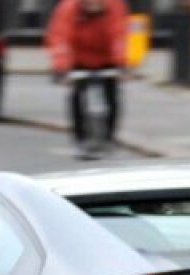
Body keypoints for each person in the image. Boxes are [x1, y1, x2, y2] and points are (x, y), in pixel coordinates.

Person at [45, 0, 129, 157]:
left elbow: (119, 35)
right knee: (77, 95)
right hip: (79, 59)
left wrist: (121, 64)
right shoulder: (68, 8)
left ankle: (109, 137)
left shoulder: (115, 6)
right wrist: (61, 68)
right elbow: (60, 37)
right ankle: (80, 138)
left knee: (112, 95)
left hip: (106, 59)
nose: (93, 4)